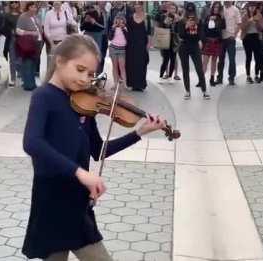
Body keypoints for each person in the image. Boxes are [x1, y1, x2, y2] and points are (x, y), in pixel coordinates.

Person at [21, 34, 166, 261]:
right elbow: (32, 142)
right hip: (52, 197)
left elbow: (98, 150)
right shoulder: (44, 97)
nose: (84, 79)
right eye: (79, 69)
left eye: (90, 74)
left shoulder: (82, 103)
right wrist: (80, 173)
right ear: (59, 61)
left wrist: (139, 133)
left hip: (76, 199)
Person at [176, 2, 210, 100]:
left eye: (192, 11)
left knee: (199, 68)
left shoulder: (199, 21)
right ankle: (187, 91)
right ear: (186, 11)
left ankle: (204, 90)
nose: (190, 13)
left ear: (194, 11)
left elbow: (201, 35)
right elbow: (181, 35)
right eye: (188, 11)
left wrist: (199, 38)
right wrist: (186, 26)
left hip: (194, 46)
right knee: (185, 69)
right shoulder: (181, 21)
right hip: (184, 46)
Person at [16, 2, 43, 91]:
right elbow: (18, 31)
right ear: (28, 8)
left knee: (34, 64)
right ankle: (28, 84)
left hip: (37, 43)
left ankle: (32, 83)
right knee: (27, 63)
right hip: (27, 44)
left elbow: (39, 29)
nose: (34, 9)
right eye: (32, 7)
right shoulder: (23, 17)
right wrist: (31, 33)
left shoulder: (36, 16)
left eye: (35, 7)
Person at [125, 2, 152, 92]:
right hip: (131, 44)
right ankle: (132, 84)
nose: (137, 7)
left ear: (142, 7)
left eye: (139, 6)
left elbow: (149, 32)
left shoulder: (147, 17)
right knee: (131, 63)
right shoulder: (129, 17)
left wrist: (149, 44)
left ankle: (141, 84)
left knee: (141, 64)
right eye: (135, 5)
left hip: (142, 44)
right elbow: (127, 31)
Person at [216, 1, 241, 86]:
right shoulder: (220, 9)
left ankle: (231, 78)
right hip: (221, 38)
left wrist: (234, 35)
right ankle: (219, 78)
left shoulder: (235, 10)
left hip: (230, 38)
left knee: (231, 59)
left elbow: (239, 23)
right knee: (220, 60)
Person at [201, 1, 225, 87]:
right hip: (208, 41)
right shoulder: (208, 17)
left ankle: (212, 79)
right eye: (215, 7)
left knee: (214, 61)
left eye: (218, 7)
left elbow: (223, 28)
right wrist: (209, 21)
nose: (216, 9)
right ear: (212, 8)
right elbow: (204, 29)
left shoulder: (221, 18)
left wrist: (222, 18)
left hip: (217, 41)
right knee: (204, 62)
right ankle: (201, 80)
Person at [240, 2, 263, 84]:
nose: (252, 8)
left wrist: (257, 22)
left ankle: (256, 75)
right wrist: (249, 21)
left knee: (257, 57)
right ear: (248, 7)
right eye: (250, 7)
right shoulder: (244, 15)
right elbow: (242, 28)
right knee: (248, 57)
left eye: (254, 7)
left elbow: (261, 28)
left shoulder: (259, 15)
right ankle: (248, 76)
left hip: (256, 37)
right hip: (247, 37)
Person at [157, 3, 180, 84]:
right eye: (171, 8)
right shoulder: (163, 16)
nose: (172, 10)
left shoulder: (178, 18)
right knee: (165, 59)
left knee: (173, 59)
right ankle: (161, 76)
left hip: (174, 41)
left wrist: (177, 22)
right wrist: (168, 20)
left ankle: (170, 77)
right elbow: (162, 26)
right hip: (165, 39)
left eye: (174, 9)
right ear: (168, 9)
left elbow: (178, 31)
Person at [3, 1, 21, 87]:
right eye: (12, 2)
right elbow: (4, 27)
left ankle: (20, 74)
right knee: (12, 59)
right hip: (11, 39)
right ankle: (13, 79)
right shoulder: (7, 15)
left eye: (16, 2)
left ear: (18, 4)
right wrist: (10, 31)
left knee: (20, 59)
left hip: (21, 39)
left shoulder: (22, 15)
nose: (14, 4)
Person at [108, 13, 128, 89]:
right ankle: (115, 83)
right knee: (115, 67)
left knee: (122, 67)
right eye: (117, 19)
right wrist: (113, 29)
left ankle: (125, 84)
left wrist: (123, 29)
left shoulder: (125, 28)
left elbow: (128, 38)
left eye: (121, 19)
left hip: (122, 50)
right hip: (113, 48)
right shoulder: (113, 28)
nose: (119, 21)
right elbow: (110, 38)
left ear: (123, 20)